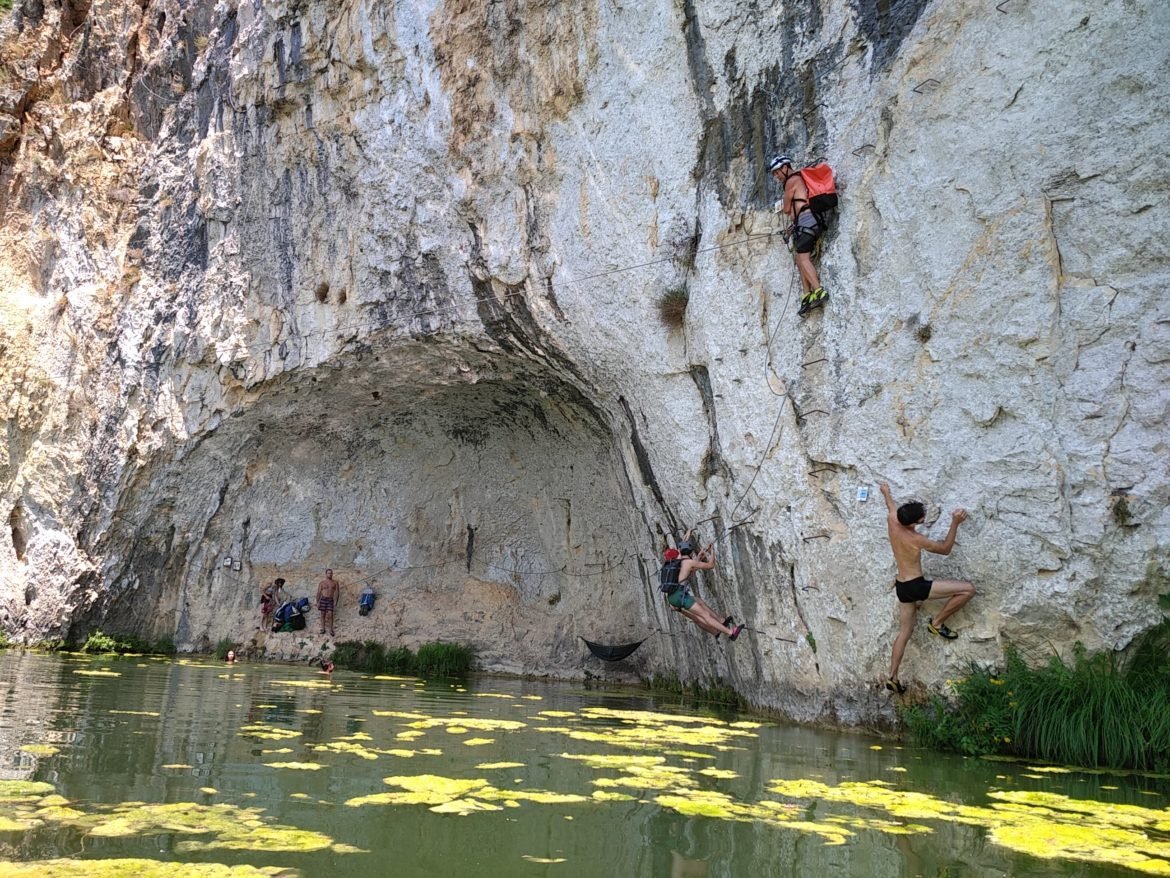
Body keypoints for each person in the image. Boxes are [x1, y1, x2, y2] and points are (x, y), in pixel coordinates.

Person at [880, 483, 977, 693]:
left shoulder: (892, 521)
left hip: (902, 587)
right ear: (917, 521)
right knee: (968, 589)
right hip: (916, 586)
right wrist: (955, 523)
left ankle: (892, 676)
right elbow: (945, 549)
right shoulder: (916, 539)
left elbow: (890, 506)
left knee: (904, 632)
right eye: (922, 516)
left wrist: (886, 492)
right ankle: (937, 623)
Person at [770, 154, 828, 315]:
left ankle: (818, 290)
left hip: (806, 222)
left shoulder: (791, 181)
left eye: (777, 172)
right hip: (808, 222)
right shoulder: (798, 179)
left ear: (785, 167)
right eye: (774, 174)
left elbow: (788, 208)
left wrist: (784, 203)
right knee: (799, 257)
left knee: (803, 257)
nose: (776, 176)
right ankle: (807, 295)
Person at [665, 541, 744, 640]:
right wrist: (712, 551)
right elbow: (710, 565)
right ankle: (730, 633)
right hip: (680, 597)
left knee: (699, 601)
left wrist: (699, 557)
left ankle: (721, 621)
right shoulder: (685, 562)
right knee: (705, 615)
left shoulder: (673, 566)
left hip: (672, 597)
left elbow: (690, 571)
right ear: (679, 554)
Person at [316, 568, 340, 637]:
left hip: (330, 600)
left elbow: (337, 592)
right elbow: (318, 593)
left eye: (331, 573)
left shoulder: (335, 582)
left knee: (330, 614)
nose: (330, 574)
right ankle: (323, 628)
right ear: (326, 574)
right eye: (328, 573)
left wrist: (336, 601)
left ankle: (331, 629)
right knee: (322, 614)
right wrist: (317, 602)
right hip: (323, 599)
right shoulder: (322, 583)